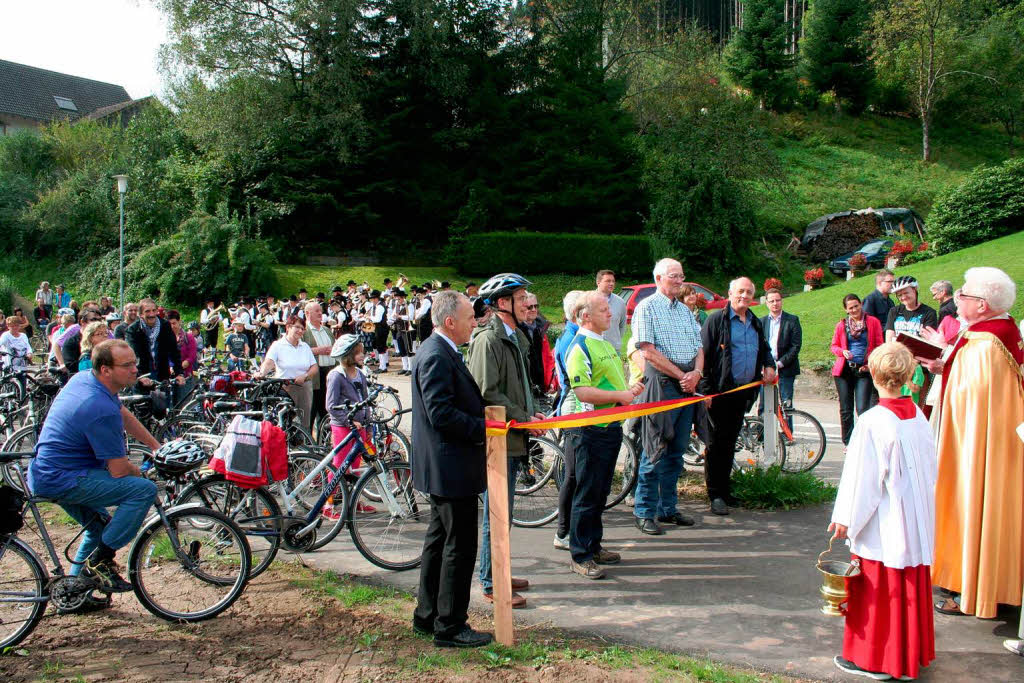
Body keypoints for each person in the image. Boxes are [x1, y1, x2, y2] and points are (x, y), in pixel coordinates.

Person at [916, 267, 1024, 619]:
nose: (957, 298)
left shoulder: (987, 342)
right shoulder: (990, 332)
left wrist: (942, 364)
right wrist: (944, 358)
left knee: (972, 501)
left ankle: (969, 588)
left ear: (982, 304)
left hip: (974, 446)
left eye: (963, 295)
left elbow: (972, 396)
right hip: (987, 444)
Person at [829, 341, 937, 681]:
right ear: (908, 374)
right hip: (915, 514)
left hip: (885, 519)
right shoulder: (918, 415)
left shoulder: (873, 421)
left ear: (873, 373)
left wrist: (846, 518)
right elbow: (931, 466)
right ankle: (908, 656)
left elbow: (863, 478)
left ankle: (875, 659)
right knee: (909, 581)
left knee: (878, 586)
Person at [26, 340, 160, 594]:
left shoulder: (86, 379)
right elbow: (119, 470)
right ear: (106, 369)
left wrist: (156, 446)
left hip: (48, 471)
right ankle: (102, 559)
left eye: (135, 363)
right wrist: (143, 471)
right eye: (127, 365)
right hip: (64, 478)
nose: (135, 370)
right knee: (142, 490)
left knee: (99, 527)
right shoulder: (97, 406)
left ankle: (73, 593)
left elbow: (123, 413)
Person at [410, 291, 492, 648]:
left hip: (446, 466)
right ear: (449, 322)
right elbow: (440, 414)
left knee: (439, 541)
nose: (475, 322)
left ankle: (427, 616)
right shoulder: (436, 355)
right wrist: (484, 428)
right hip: (450, 467)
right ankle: (450, 626)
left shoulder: (440, 350)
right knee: (459, 546)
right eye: (470, 317)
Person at [467, 273, 544, 609]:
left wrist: (533, 413)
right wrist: (524, 418)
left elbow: (521, 386)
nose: (528, 301)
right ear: (502, 303)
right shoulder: (488, 341)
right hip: (498, 443)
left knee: (504, 513)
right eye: (521, 296)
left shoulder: (514, 337)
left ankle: (499, 571)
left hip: (514, 438)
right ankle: (491, 583)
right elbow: (487, 393)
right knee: (496, 515)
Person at [563, 292, 643, 580]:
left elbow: (610, 383)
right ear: (585, 316)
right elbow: (583, 392)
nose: (611, 314)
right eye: (603, 309)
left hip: (609, 428)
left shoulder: (605, 343)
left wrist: (628, 392)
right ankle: (580, 555)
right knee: (586, 492)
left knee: (600, 491)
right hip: (588, 432)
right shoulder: (579, 346)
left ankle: (593, 545)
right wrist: (621, 396)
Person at [631, 258, 703, 534]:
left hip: (687, 385)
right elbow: (647, 351)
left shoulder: (685, 312)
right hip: (662, 384)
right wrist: (680, 375)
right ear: (659, 278)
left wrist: (695, 373)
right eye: (674, 276)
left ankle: (667, 508)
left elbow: (699, 347)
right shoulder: (646, 308)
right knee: (654, 449)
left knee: (677, 450)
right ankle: (644, 511)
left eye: (681, 276)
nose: (679, 280)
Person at [700, 277, 776, 516]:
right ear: (730, 293)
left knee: (730, 442)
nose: (744, 296)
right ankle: (715, 494)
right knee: (716, 444)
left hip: (743, 393)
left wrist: (769, 364)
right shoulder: (716, 320)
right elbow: (702, 355)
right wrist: (705, 391)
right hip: (719, 393)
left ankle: (725, 489)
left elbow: (764, 349)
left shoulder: (754, 322)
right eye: (740, 291)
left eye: (749, 292)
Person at [322, 334, 372, 520]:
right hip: (343, 427)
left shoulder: (360, 374)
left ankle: (353, 500)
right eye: (358, 353)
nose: (362, 356)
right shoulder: (336, 376)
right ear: (348, 354)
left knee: (356, 465)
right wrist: (348, 421)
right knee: (339, 466)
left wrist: (367, 422)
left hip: (360, 426)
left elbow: (365, 400)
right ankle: (328, 504)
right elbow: (331, 405)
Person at [551, 290, 585, 551]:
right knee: (572, 475)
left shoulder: (577, 336)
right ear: (579, 313)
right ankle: (563, 531)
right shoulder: (570, 339)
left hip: (579, 409)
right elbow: (577, 384)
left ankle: (574, 529)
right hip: (574, 410)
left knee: (577, 474)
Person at [830, 294, 884, 446]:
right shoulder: (842, 325)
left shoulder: (872, 322)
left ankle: (865, 441)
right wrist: (842, 352)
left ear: (861, 305)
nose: (854, 310)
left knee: (863, 409)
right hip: (844, 371)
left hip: (863, 370)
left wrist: (871, 364)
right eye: (850, 308)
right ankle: (848, 442)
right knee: (846, 409)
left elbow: (879, 345)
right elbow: (834, 346)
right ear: (846, 310)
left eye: (856, 306)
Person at [260, 316, 318, 432]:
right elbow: (269, 362)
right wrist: (261, 373)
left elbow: (314, 367)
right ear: (288, 327)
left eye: (303, 328)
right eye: (297, 327)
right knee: (286, 420)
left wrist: (305, 376)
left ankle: (305, 445)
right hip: (285, 388)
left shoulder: (305, 346)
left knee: (305, 421)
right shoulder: (278, 345)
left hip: (303, 387)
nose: (300, 331)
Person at [124, 299, 184, 388]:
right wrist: (139, 376)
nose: (151, 314)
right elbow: (132, 355)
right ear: (140, 314)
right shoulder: (132, 330)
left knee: (165, 400)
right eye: (147, 311)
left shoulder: (165, 326)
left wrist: (179, 373)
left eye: (153, 310)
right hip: (143, 376)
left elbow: (174, 351)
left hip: (162, 375)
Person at [759, 288, 802, 413]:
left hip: (786, 368)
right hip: (766, 370)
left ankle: (787, 432)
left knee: (786, 407)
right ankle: (763, 432)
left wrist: (779, 364)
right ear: (766, 303)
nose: (775, 303)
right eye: (771, 301)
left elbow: (796, 346)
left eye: (777, 300)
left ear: (781, 301)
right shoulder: (761, 322)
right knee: (764, 406)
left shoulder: (792, 320)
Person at [302, 301, 336, 427]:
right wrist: (318, 350)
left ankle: (324, 440)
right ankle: (309, 440)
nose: (320, 313)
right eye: (316, 311)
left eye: (321, 310)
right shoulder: (304, 331)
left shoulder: (327, 330)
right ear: (307, 313)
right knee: (312, 408)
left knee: (326, 408)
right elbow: (298, 350)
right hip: (315, 374)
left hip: (330, 371)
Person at [518, 293, 554, 394]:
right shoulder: (515, 330)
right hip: (525, 388)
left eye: (536, 306)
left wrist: (550, 382)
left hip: (542, 387)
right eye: (530, 307)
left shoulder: (541, 328)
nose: (534, 309)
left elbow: (547, 358)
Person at [885, 276, 938, 342]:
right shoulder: (894, 311)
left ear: (915, 289)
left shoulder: (929, 313)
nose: (903, 297)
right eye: (899, 295)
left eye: (906, 293)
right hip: (897, 350)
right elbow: (889, 339)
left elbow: (927, 341)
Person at [596, 269, 627, 354]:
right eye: (608, 281)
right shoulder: (588, 300)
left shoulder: (620, 302)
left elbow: (622, 325)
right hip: (594, 349)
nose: (611, 284)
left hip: (614, 350)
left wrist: (616, 341)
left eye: (613, 281)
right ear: (598, 283)